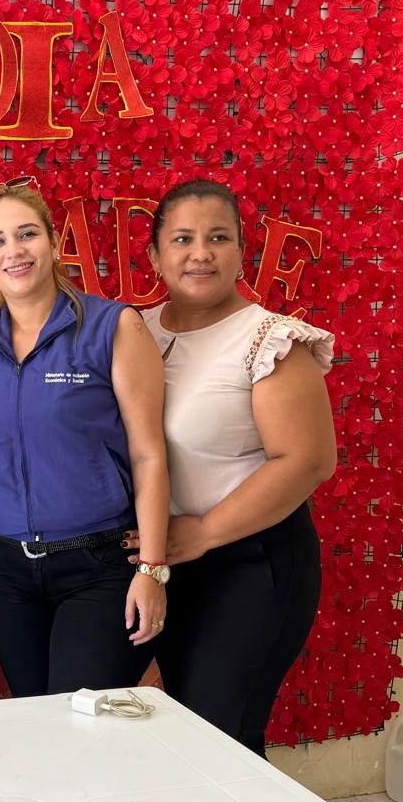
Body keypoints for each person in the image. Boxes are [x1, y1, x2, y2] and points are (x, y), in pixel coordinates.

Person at [133, 178, 336, 756]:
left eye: (218, 238)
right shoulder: (134, 330)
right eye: (183, 239)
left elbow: (309, 460)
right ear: (155, 255)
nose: (201, 253)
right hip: (163, 562)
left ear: (242, 251)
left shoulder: (268, 339)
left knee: (221, 738)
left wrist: (203, 532)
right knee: (178, 729)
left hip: (250, 562)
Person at [0, 181, 169, 698]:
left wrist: (154, 569)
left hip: (99, 566)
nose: (14, 250)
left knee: (80, 719)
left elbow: (149, 454)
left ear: (53, 242)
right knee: (35, 717)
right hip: (4, 571)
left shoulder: (115, 327)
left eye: (27, 234)